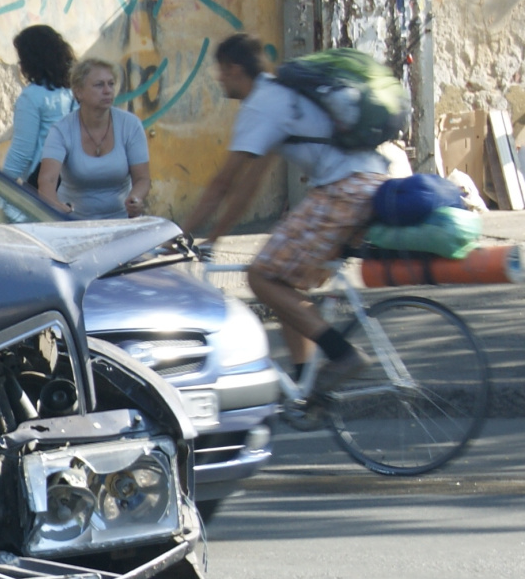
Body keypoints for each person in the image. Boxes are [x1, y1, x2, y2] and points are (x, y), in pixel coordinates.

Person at [183, 34, 389, 394]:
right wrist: (214, 236)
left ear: (234, 68)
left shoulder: (262, 104)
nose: (218, 79)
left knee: (260, 277)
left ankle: (342, 354)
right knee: (281, 278)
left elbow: (223, 182)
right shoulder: (279, 96)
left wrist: (180, 236)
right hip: (365, 183)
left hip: (342, 189)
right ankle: (305, 385)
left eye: (219, 71)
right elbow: (246, 188)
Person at [36, 59, 151, 219]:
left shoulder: (130, 125)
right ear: (78, 92)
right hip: (74, 222)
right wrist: (57, 209)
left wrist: (135, 199)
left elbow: (143, 179)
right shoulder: (61, 130)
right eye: (99, 85)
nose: (107, 90)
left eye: (111, 84)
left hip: (121, 221)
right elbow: (47, 181)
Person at [1, 25, 76, 184]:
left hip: (44, 181)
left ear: (31, 61)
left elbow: (22, 152)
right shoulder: (75, 91)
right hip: (74, 180)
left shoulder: (32, 97)